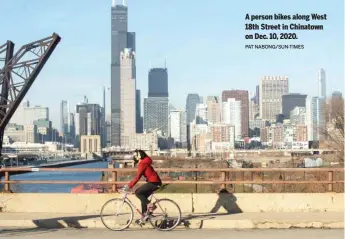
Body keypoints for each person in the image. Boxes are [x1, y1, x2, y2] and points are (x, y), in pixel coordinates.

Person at [123, 149, 162, 223]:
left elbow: (137, 177)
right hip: (155, 182)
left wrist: (129, 186)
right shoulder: (145, 162)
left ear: (139, 157)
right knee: (143, 197)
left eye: (135, 156)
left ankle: (151, 207)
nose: (134, 158)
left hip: (154, 183)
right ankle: (145, 216)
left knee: (138, 192)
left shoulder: (142, 164)